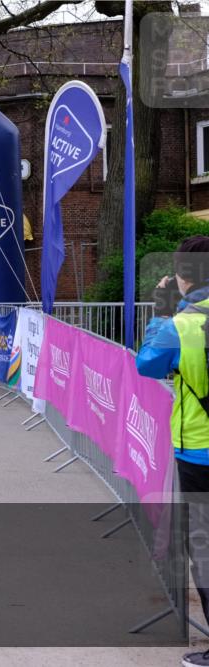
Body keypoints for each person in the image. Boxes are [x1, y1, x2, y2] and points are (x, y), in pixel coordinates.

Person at [136, 236, 209, 667]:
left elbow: (148, 364)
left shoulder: (179, 325)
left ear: (183, 277)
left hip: (199, 450)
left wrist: (164, 310)